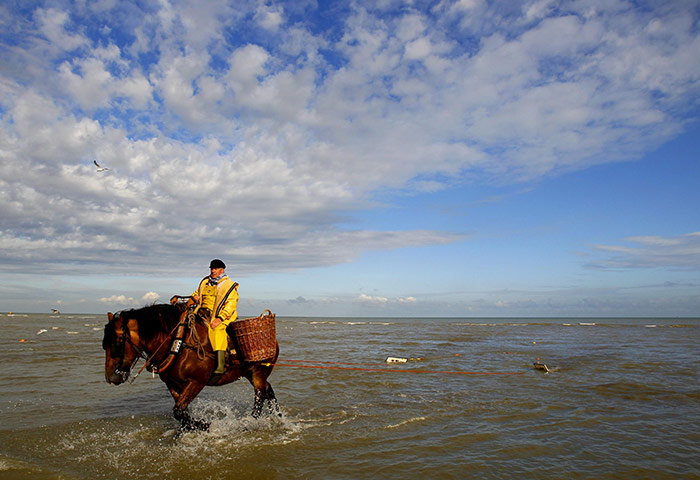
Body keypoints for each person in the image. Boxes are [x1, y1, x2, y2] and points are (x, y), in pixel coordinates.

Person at [191, 259, 239, 381]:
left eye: (216, 269)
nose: (213, 271)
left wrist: (220, 318)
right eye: (211, 268)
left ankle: (220, 365)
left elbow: (231, 304)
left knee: (217, 330)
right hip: (201, 312)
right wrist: (194, 297)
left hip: (219, 315)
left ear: (222, 270)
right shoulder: (205, 281)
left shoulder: (229, 285)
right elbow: (197, 293)